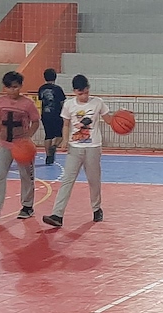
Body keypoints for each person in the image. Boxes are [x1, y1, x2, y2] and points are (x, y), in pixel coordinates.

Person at [42, 74, 115, 228]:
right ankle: (57, 214)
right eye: (80, 93)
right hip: (75, 147)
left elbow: (109, 121)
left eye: (86, 92)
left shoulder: (98, 102)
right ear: (74, 91)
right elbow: (66, 124)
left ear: (89, 89)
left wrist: (122, 116)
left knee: (94, 180)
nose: (84, 96)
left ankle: (96, 208)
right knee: (67, 180)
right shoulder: (69, 105)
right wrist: (64, 139)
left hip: (93, 147)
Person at [0, 71, 41, 222]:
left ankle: (27, 206)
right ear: (4, 88)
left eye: (15, 87)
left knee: (26, 175)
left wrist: (27, 139)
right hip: (4, 143)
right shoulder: (0, 102)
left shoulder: (28, 103)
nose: (13, 90)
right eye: (9, 87)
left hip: (22, 145)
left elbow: (36, 122)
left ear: (20, 86)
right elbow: (0, 122)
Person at [37, 68, 67, 165]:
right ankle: (54, 146)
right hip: (57, 114)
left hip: (45, 114)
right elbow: (62, 102)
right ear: (55, 77)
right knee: (60, 135)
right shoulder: (58, 89)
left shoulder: (41, 89)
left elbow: (41, 100)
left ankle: (48, 156)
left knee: (48, 135)